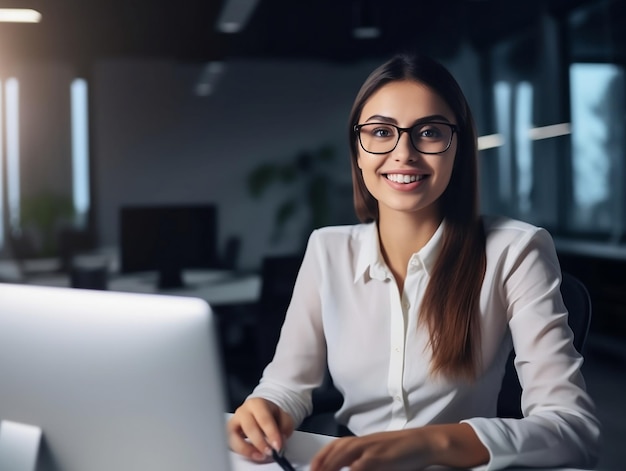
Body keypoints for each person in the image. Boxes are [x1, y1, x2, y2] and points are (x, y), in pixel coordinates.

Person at [227, 53, 601, 470]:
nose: (403, 153)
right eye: (381, 132)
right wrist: (265, 409)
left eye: (429, 132)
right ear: (358, 149)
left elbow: (573, 427)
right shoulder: (327, 249)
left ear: (458, 146)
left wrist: (430, 444)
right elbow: (286, 385)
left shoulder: (515, 249)